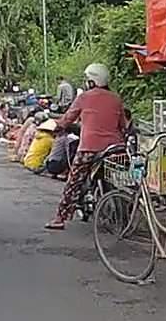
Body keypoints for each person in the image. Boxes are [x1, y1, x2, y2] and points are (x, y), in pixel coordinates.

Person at [45, 63, 127, 230]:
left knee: (74, 181)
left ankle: (60, 218)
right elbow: (123, 125)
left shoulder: (84, 97)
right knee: (121, 179)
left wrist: (58, 126)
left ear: (92, 81)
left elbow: (67, 119)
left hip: (89, 148)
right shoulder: (116, 98)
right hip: (116, 149)